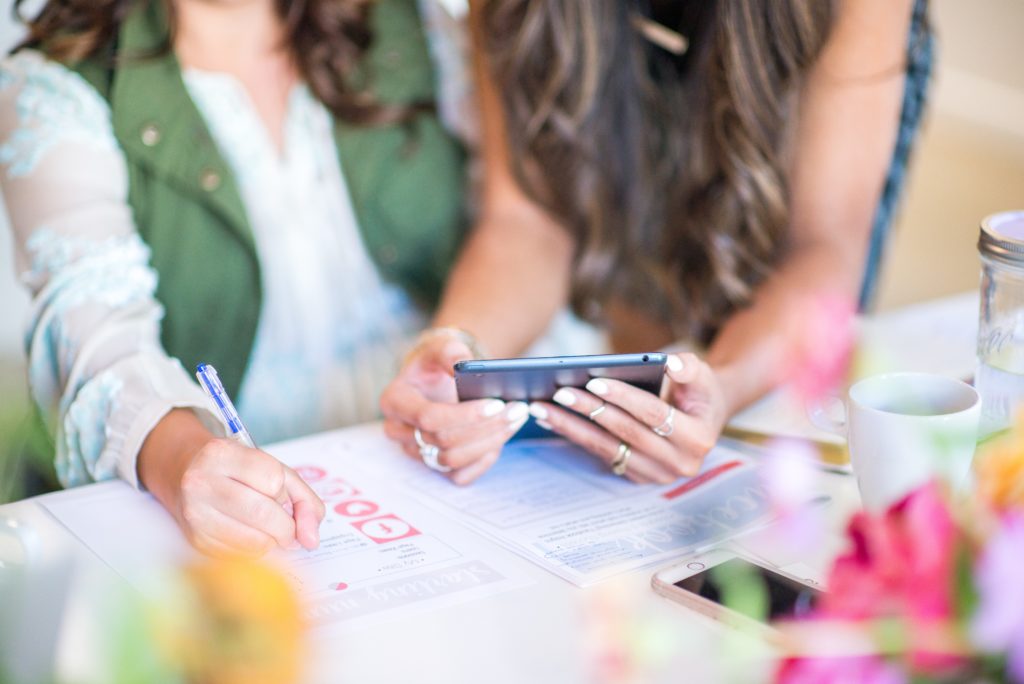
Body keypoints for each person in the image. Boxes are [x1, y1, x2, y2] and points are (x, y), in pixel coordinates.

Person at [382, 0, 932, 484]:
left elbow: (824, 247)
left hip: (791, 269)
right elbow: (528, 220)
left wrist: (721, 387)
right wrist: (457, 349)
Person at [0, 0, 478, 553]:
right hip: (250, 525)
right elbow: (94, 335)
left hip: (438, 475)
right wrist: (183, 460)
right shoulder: (58, 87)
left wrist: (463, 354)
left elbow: (521, 219)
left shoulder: (415, 23)